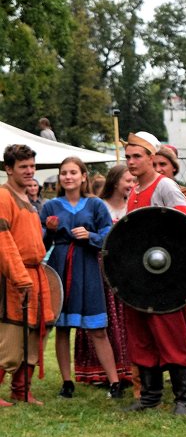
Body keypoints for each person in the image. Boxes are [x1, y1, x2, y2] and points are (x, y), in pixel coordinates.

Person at [121, 132, 186, 415]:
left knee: (171, 336)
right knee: (142, 336)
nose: (131, 162)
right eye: (128, 157)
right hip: (140, 278)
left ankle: (183, 399)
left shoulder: (165, 187)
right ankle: (150, 397)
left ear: (151, 158)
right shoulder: (135, 190)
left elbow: (184, 231)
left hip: (165, 278)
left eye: (137, 156)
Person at [41, 157, 120, 399]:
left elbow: (110, 238)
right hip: (60, 267)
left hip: (87, 267)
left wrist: (91, 236)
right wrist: (50, 232)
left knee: (97, 328)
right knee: (62, 327)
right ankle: (67, 382)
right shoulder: (50, 207)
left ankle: (114, 382)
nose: (68, 177)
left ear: (83, 176)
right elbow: (40, 243)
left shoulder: (95, 205)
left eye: (73, 172)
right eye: (64, 172)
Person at [0, 146, 54, 406]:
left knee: (35, 333)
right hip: (12, 277)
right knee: (11, 334)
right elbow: (3, 241)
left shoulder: (28, 199)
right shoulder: (3, 196)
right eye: (23, 166)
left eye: (32, 166)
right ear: (8, 169)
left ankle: (22, 390)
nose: (30, 171)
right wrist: (20, 278)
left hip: (36, 273)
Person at [74, 163, 135, 389]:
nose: (131, 184)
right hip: (101, 268)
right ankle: (97, 370)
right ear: (115, 181)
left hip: (127, 270)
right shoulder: (99, 206)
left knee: (124, 318)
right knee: (102, 318)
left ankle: (127, 369)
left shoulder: (135, 206)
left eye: (133, 181)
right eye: (128, 180)